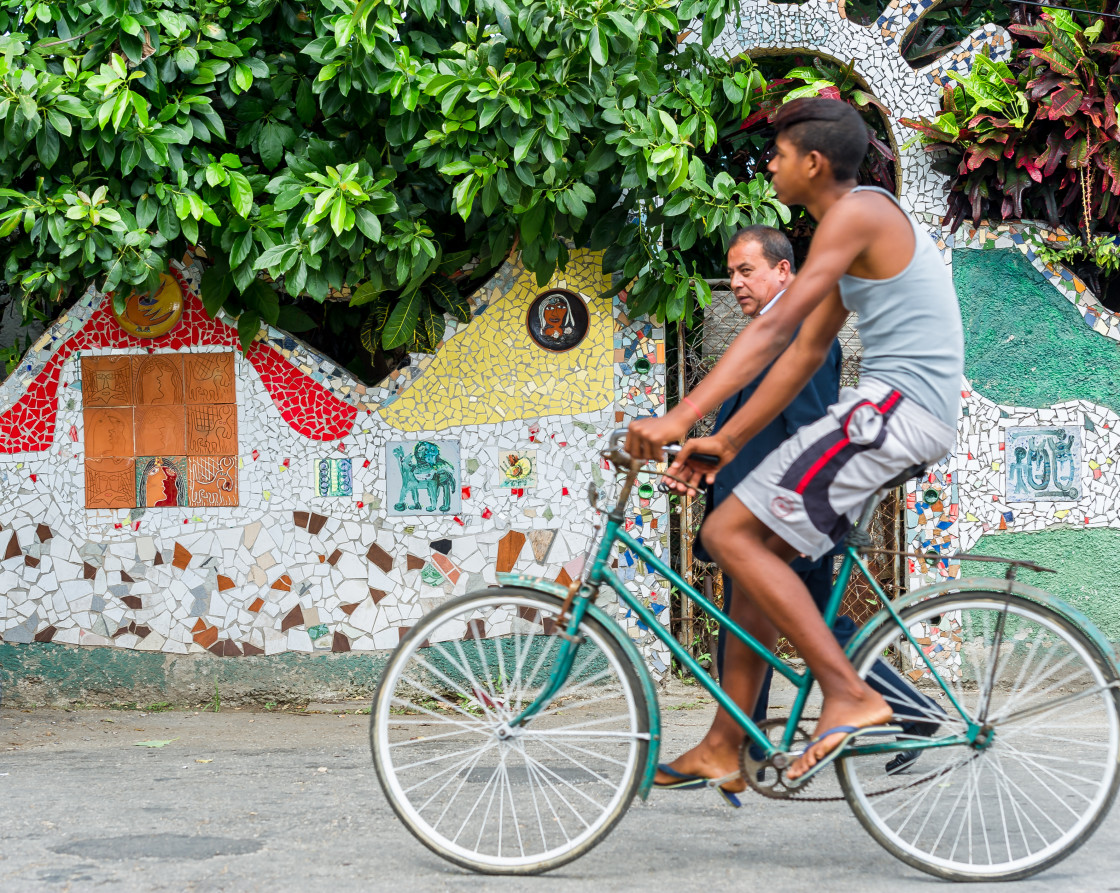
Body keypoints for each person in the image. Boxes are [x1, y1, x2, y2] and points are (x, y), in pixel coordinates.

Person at [627, 97, 963, 784]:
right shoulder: (845, 237)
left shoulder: (861, 211)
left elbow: (777, 330)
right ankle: (726, 744)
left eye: (777, 156)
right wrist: (724, 439)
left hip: (896, 409)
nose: (769, 167)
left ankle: (851, 692)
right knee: (753, 558)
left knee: (727, 533)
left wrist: (679, 415)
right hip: (895, 411)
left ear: (813, 162)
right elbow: (806, 350)